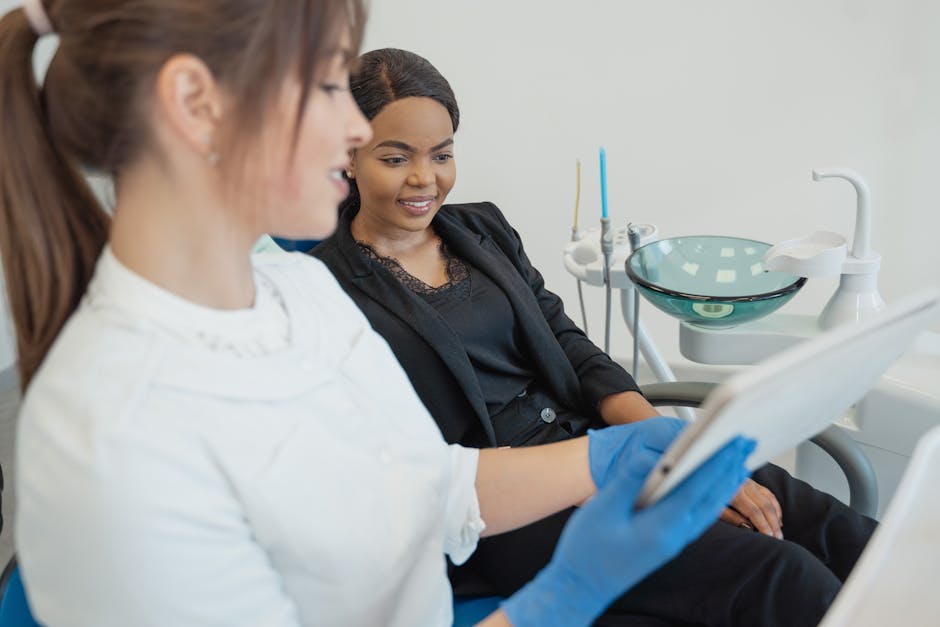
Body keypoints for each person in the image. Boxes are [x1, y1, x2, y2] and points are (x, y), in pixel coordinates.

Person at [0, 2, 753, 626]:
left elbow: (423, 485)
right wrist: (566, 596)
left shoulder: (301, 296)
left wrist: (602, 456)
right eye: (329, 84)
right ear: (198, 104)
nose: (358, 131)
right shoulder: (113, 437)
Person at [311, 47, 879, 627]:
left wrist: (664, 444)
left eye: (442, 154)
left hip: (605, 442)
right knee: (782, 574)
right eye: (395, 157)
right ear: (348, 156)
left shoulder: (482, 229)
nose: (424, 179)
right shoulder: (324, 291)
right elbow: (398, 463)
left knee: (832, 529)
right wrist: (591, 476)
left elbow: (567, 342)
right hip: (511, 505)